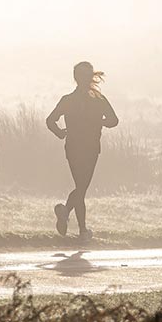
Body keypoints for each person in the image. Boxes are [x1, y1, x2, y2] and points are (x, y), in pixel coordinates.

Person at [46, 61, 119, 241]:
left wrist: (60, 133)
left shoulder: (67, 100)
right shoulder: (99, 100)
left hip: (73, 148)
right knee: (81, 188)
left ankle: (79, 227)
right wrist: (99, 122)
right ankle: (75, 222)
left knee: (80, 188)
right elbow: (114, 120)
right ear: (86, 78)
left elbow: (50, 121)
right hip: (90, 149)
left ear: (76, 78)